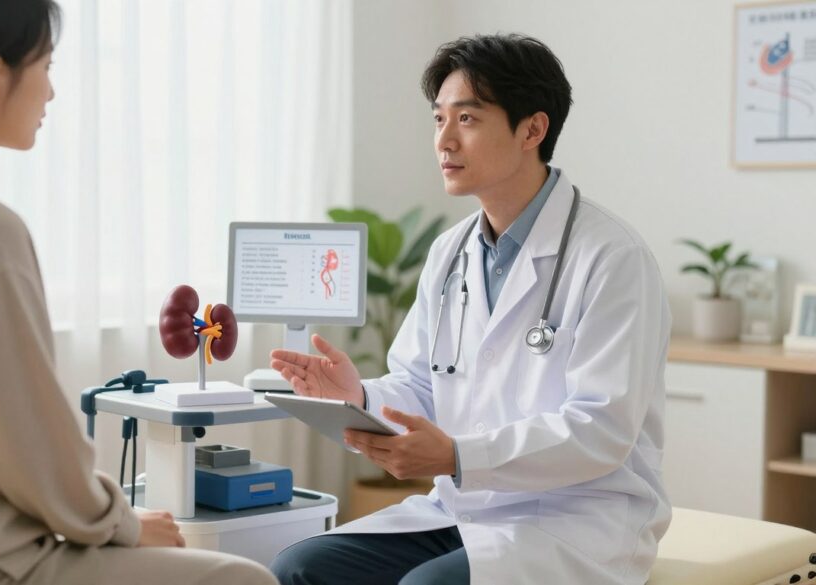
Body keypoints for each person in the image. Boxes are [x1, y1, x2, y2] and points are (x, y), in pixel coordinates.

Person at [0, 1, 276, 584]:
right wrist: (124, 522)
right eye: (46, 67)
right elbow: (35, 452)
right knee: (245, 577)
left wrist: (107, 516)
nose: (52, 92)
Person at [269, 34, 671, 585]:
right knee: (299, 568)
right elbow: (420, 386)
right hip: (465, 507)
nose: (444, 140)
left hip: (577, 518)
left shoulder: (612, 257)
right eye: (439, 119)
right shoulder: (450, 251)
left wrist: (458, 456)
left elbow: (600, 429)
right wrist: (358, 397)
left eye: (467, 119)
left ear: (532, 130)